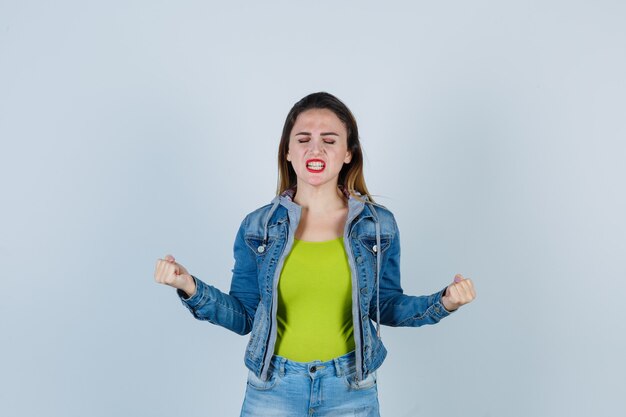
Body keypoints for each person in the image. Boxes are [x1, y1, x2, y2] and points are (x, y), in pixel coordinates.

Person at [154, 92, 476, 416]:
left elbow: (387, 305)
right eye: (304, 138)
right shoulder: (258, 228)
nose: (315, 148)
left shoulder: (378, 226)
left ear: (348, 154)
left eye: (329, 140)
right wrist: (189, 286)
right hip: (272, 390)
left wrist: (444, 302)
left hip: (351, 390)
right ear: (289, 152)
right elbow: (244, 316)